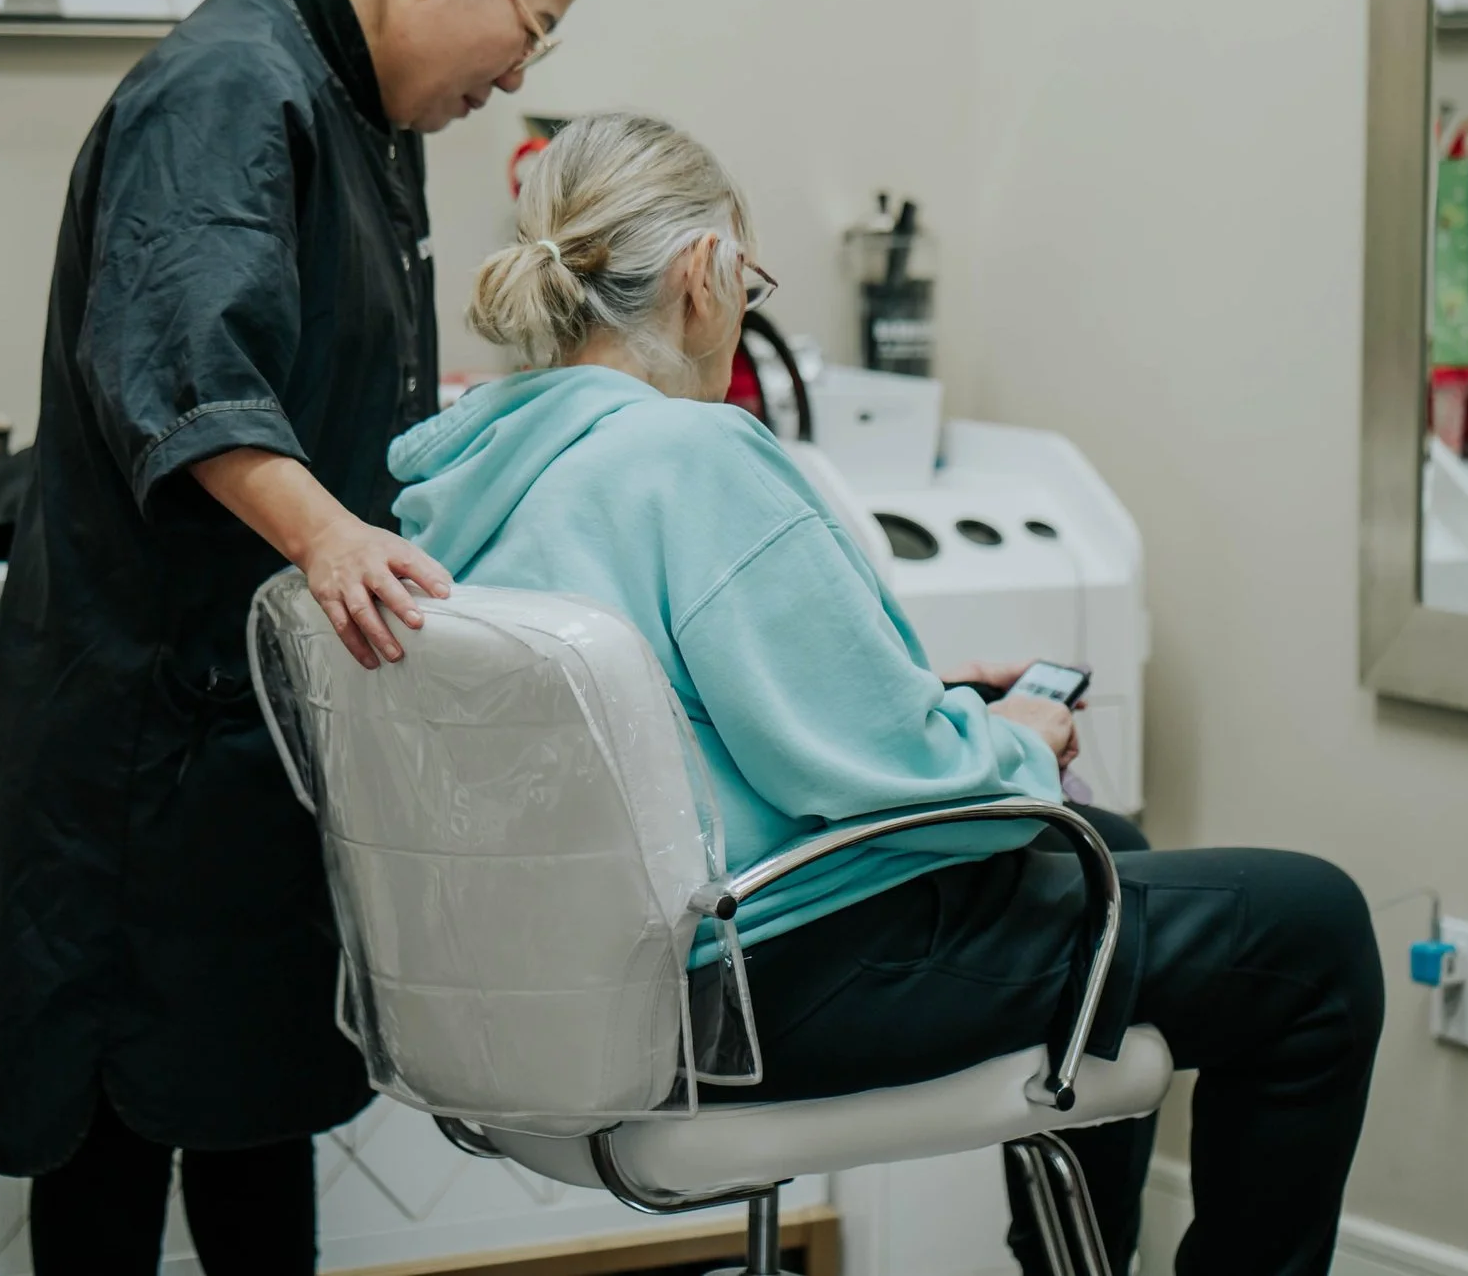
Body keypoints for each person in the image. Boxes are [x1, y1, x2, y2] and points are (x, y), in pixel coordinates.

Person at [387, 113, 1386, 1276]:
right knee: (1312, 927)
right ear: (707, 276)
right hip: (759, 986)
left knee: (1103, 845)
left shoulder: (467, 477)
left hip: (570, 999)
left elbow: (661, 712)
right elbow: (888, 771)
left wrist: (939, 702)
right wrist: (1016, 734)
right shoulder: (691, 454)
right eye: (748, 280)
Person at [0, 0, 601, 1276]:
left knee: (256, 1107)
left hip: (250, 726)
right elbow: (182, 368)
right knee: (115, 1134)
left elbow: (327, 364)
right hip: (144, 729)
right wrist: (327, 534)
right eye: (536, 24)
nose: (520, 72)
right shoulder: (234, 84)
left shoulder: (351, 99)